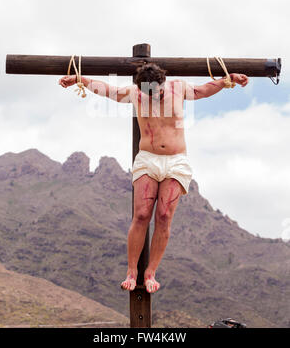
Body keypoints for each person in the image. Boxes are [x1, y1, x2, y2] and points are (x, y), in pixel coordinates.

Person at [59, 63, 249, 294]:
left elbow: (203, 90)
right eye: (149, 93)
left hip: (176, 160)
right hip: (148, 159)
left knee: (164, 215)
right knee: (141, 214)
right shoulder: (135, 93)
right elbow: (108, 90)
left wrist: (228, 80)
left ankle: (151, 272)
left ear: (163, 83)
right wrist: (81, 80)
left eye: (157, 91)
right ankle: (132, 271)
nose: (154, 96)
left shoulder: (178, 88)